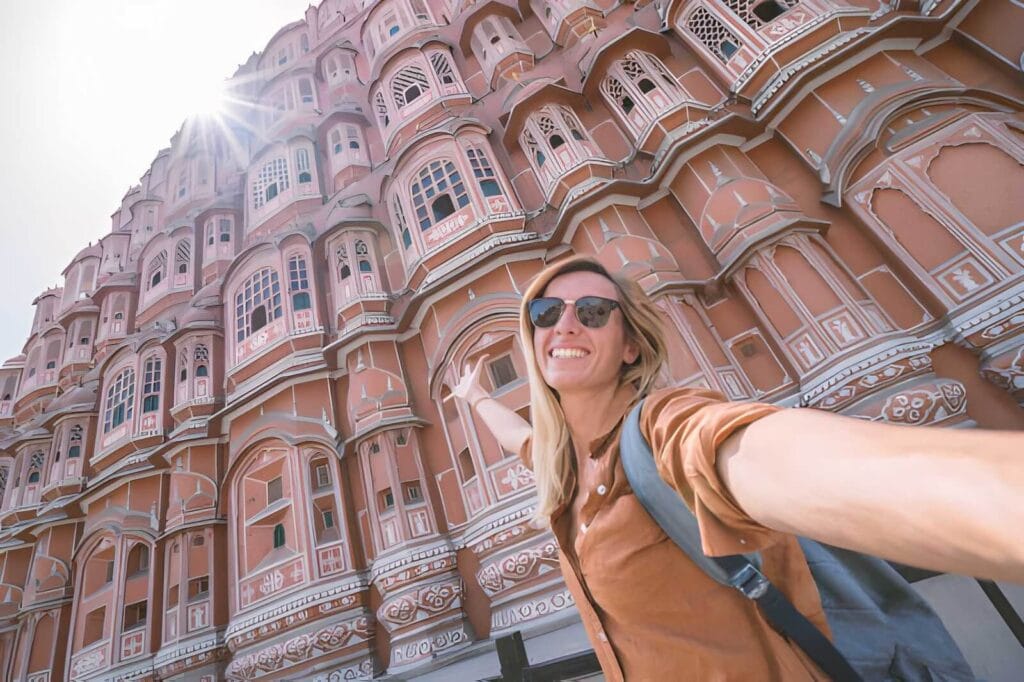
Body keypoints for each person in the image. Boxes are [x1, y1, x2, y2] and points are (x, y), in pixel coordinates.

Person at [451, 255, 1024, 680]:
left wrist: (992, 499)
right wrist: (475, 397)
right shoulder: (566, 470)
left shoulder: (664, 428)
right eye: (547, 312)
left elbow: (757, 456)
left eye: (594, 311)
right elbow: (523, 438)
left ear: (631, 345)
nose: (566, 325)